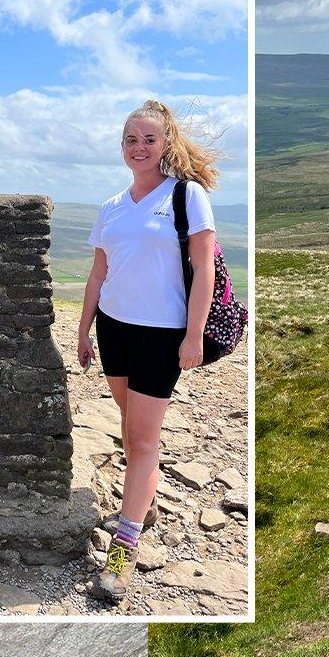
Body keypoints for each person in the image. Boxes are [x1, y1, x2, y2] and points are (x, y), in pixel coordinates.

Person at [77, 99, 220, 603]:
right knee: (132, 422)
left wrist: (193, 335)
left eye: (149, 139)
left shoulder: (187, 196)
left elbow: (204, 270)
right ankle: (145, 494)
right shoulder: (112, 206)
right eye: (131, 140)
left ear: (166, 144)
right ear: (122, 147)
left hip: (163, 333)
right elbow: (99, 272)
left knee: (141, 439)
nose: (139, 148)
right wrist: (83, 329)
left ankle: (125, 545)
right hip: (116, 327)